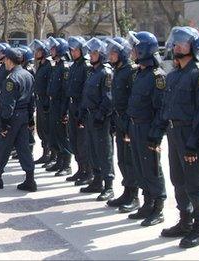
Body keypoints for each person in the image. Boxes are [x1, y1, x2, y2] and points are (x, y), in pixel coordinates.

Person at [153, 26, 199, 248]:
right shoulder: (175, 75)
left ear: (194, 47)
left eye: (182, 43)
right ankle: (185, 221)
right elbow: (165, 107)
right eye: (175, 42)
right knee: (178, 180)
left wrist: (194, 144)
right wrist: (157, 133)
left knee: (195, 184)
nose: (177, 46)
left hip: (190, 134)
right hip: (174, 132)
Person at [125, 31, 167, 226]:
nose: (131, 51)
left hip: (148, 128)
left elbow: (161, 109)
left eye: (134, 48)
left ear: (142, 50)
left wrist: (156, 135)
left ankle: (158, 208)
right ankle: (147, 203)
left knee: (152, 168)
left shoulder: (157, 76)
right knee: (139, 166)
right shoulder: (139, 73)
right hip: (135, 127)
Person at [0, 48, 36, 192]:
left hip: (12, 117)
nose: (4, 62)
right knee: (23, 148)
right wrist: (30, 118)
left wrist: (4, 123)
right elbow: (31, 100)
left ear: (10, 60)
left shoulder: (11, 79)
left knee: (2, 148)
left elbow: (8, 103)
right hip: (24, 116)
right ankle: (30, 179)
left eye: (5, 59)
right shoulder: (28, 75)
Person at [104, 37, 140, 213]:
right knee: (122, 159)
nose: (110, 55)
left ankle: (134, 195)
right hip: (118, 119)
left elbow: (132, 99)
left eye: (114, 52)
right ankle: (126, 191)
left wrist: (127, 122)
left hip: (127, 120)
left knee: (130, 160)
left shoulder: (130, 72)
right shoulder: (117, 71)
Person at [78, 37, 115, 201]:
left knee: (104, 152)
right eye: (91, 53)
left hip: (101, 118)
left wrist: (100, 115)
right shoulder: (92, 72)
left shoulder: (105, 73)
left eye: (94, 53)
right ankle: (97, 180)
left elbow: (108, 98)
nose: (91, 56)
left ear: (101, 54)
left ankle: (109, 186)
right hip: (90, 115)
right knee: (92, 149)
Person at [65, 36, 92, 186]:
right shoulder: (74, 66)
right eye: (71, 50)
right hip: (72, 105)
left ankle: (88, 171)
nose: (73, 52)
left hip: (81, 106)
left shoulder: (86, 66)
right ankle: (80, 169)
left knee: (83, 142)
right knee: (74, 140)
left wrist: (82, 111)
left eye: (75, 50)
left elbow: (85, 91)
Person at [45, 37, 73, 176]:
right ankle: (59, 161)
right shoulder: (56, 65)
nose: (51, 50)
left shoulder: (65, 67)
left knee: (63, 135)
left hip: (61, 104)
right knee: (55, 134)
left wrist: (65, 111)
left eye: (53, 48)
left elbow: (66, 91)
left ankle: (66, 164)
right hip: (54, 104)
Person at [29, 39, 53, 168]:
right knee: (42, 129)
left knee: (48, 130)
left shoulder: (49, 66)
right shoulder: (41, 65)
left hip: (46, 102)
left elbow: (49, 85)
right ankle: (45, 153)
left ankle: (49, 154)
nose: (35, 52)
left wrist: (46, 102)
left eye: (38, 50)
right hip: (39, 101)